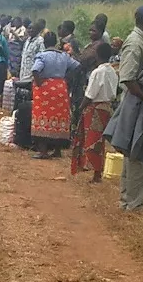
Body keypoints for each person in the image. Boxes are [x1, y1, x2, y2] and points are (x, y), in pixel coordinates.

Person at [111, 5, 143, 212]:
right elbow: (128, 78)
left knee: (135, 153)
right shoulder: (135, 43)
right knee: (139, 154)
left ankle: (129, 200)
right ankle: (134, 203)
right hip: (139, 105)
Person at [30, 31, 79, 159]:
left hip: (45, 90)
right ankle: (57, 150)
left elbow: (35, 70)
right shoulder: (64, 56)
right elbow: (77, 66)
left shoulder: (42, 56)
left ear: (45, 43)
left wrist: (39, 83)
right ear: (56, 42)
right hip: (60, 88)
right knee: (58, 118)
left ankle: (43, 151)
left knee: (42, 118)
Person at [71, 42, 115, 181]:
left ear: (97, 54)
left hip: (95, 108)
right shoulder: (112, 71)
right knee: (99, 141)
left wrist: (80, 108)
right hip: (107, 108)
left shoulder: (98, 72)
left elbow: (90, 94)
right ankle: (96, 171)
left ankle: (95, 172)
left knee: (92, 141)